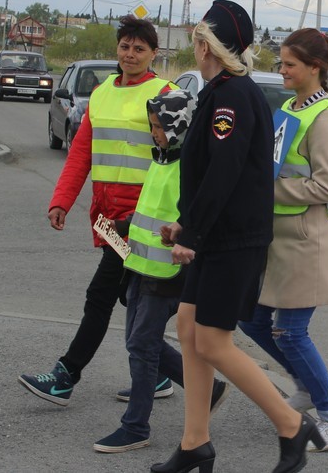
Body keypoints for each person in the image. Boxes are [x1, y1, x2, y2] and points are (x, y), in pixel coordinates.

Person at [152, 0, 323, 473]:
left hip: (234, 241)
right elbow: (208, 173)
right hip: (216, 236)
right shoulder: (220, 91)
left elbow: (223, 173)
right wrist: (187, 225)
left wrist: (192, 234)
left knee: (213, 342)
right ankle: (195, 443)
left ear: (205, 46)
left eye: (196, 41)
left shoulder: (232, 97)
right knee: (188, 329)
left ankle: (291, 424)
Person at [17, 16, 190, 407]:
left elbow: (183, 159)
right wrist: (61, 200)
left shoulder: (166, 94)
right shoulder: (101, 93)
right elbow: (81, 153)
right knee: (131, 297)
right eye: (125, 46)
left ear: (154, 53)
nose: (130, 55)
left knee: (101, 295)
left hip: (141, 219)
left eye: (139, 49)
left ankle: (65, 375)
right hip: (108, 217)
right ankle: (166, 376)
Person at [237, 28, 328, 452]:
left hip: (310, 241)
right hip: (282, 240)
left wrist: (264, 191)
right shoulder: (292, 106)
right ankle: (306, 386)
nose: (282, 70)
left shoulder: (325, 118)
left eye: (289, 64)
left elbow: (326, 186)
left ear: (314, 67)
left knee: (290, 332)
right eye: (282, 63)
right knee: (252, 320)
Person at [94, 88, 229, 454]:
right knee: (138, 341)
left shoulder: (189, 167)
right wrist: (123, 225)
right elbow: (151, 211)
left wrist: (181, 238)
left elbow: (196, 218)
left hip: (167, 273)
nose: (153, 133)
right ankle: (207, 389)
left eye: (158, 126)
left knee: (141, 344)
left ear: (179, 127)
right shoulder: (163, 158)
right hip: (141, 265)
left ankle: (135, 426)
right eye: (152, 126)